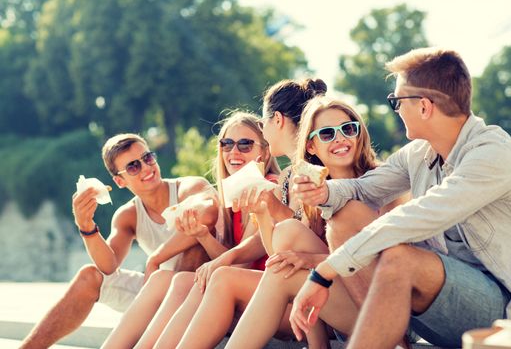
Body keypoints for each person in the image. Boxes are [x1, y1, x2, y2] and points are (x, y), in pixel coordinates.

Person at [291, 47, 511, 349]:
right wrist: (324, 191)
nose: (395, 109)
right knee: (344, 217)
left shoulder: (492, 153)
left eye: (396, 101)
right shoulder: (420, 153)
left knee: (401, 258)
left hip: (500, 316)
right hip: (437, 305)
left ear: (423, 106)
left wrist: (323, 273)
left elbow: (420, 215)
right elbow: (364, 188)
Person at [224, 96, 410, 349]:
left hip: (388, 308)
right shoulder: (314, 193)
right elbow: (281, 252)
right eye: (326, 134)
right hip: (343, 307)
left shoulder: (384, 181)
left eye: (348, 129)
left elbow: (391, 262)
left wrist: (310, 260)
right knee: (287, 238)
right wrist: (262, 213)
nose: (340, 139)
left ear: (359, 134)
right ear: (311, 146)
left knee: (285, 256)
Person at [168, 79, 332, 349]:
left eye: (263, 123)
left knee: (220, 279)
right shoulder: (291, 176)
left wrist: (269, 213)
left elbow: (296, 245)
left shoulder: (314, 173)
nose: (263, 129)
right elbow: (279, 251)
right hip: (298, 288)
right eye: (227, 144)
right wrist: (265, 215)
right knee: (203, 279)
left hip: (323, 296)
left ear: (276, 120)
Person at [21, 133, 219, 349]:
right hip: (157, 290)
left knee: (193, 249)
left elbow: (208, 212)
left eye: (148, 158)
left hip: (198, 289)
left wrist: (156, 258)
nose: (146, 168)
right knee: (89, 276)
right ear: (119, 181)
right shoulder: (129, 215)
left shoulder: (188, 188)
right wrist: (86, 226)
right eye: (133, 166)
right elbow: (108, 267)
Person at [101, 111, 280, 348]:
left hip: (269, 293)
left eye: (245, 144)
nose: (233, 152)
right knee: (170, 279)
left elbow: (238, 266)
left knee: (194, 282)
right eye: (226, 144)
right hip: (237, 286)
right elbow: (229, 264)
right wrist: (203, 236)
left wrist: (158, 256)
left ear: (264, 152)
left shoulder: (269, 188)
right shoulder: (233, 195)